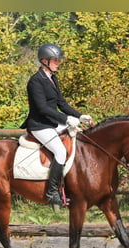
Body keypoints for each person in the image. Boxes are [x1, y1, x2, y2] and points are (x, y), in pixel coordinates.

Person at [20, 43, 93, 207]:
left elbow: (62, 103)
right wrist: (66, 120)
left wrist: (80, 116)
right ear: (44, 61)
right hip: (39, 125)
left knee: (78, 138)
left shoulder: (53, 78)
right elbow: (43, 108)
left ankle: (73, 186)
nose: (58, 63)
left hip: (52, 123)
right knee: (60, 152)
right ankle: (52, 192)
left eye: (58, 60)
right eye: (55, 60)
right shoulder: (35, 81)